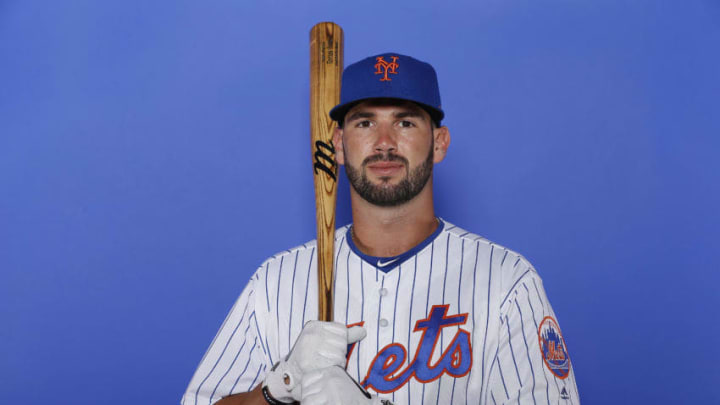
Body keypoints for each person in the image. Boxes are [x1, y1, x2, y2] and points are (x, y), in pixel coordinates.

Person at [182, 52, 580, 405]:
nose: (384, 142)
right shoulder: (274, 283)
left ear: (439, 143)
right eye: (365, 123)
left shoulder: (506, 282)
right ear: (337, 144)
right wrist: (279, 387)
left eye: (405, 123)